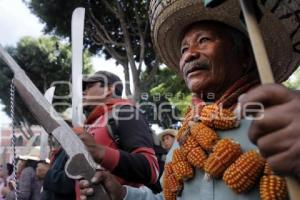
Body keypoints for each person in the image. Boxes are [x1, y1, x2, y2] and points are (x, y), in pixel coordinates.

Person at [79, 1, 300, 200]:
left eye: (203, 40)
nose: (189, 54)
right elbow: (167, 197)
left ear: (244, 56)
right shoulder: (187, 132)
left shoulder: (287, 114)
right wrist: (122, 194)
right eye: (184, 49)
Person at [78, 71, 159, 190]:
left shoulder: (124, 112)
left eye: (89, 86)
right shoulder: (91, 124)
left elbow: (151, 169)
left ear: (109, 89)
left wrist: (101, 153)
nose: (83, 91)